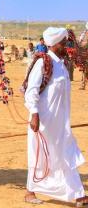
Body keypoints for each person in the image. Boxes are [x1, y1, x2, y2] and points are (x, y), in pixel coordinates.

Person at [24, 27, 88, 206]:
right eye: (63, 43)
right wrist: (34, 114)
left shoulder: (61, 64)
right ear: (54, 45)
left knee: (63, 153)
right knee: (41, 155)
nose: (66, 45)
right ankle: (32, 192)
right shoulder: (43, 63)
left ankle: (77, 194)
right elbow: (31, 91)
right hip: (44, 120)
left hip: (60, 122)